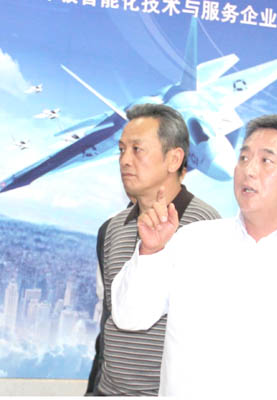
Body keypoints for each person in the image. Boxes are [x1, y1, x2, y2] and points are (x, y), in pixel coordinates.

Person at [110, 114, 277, 396]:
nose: (249, 170)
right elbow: (129, 316)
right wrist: (150, 252)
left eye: (266, 161)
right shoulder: (192, 242)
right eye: (244, 157)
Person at [86, 104, 220, 396]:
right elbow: (107, 320)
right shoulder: (112, 229)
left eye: (137, 149)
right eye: (121, 150)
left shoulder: (207, 227)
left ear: (174, 159)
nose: (125, 160)